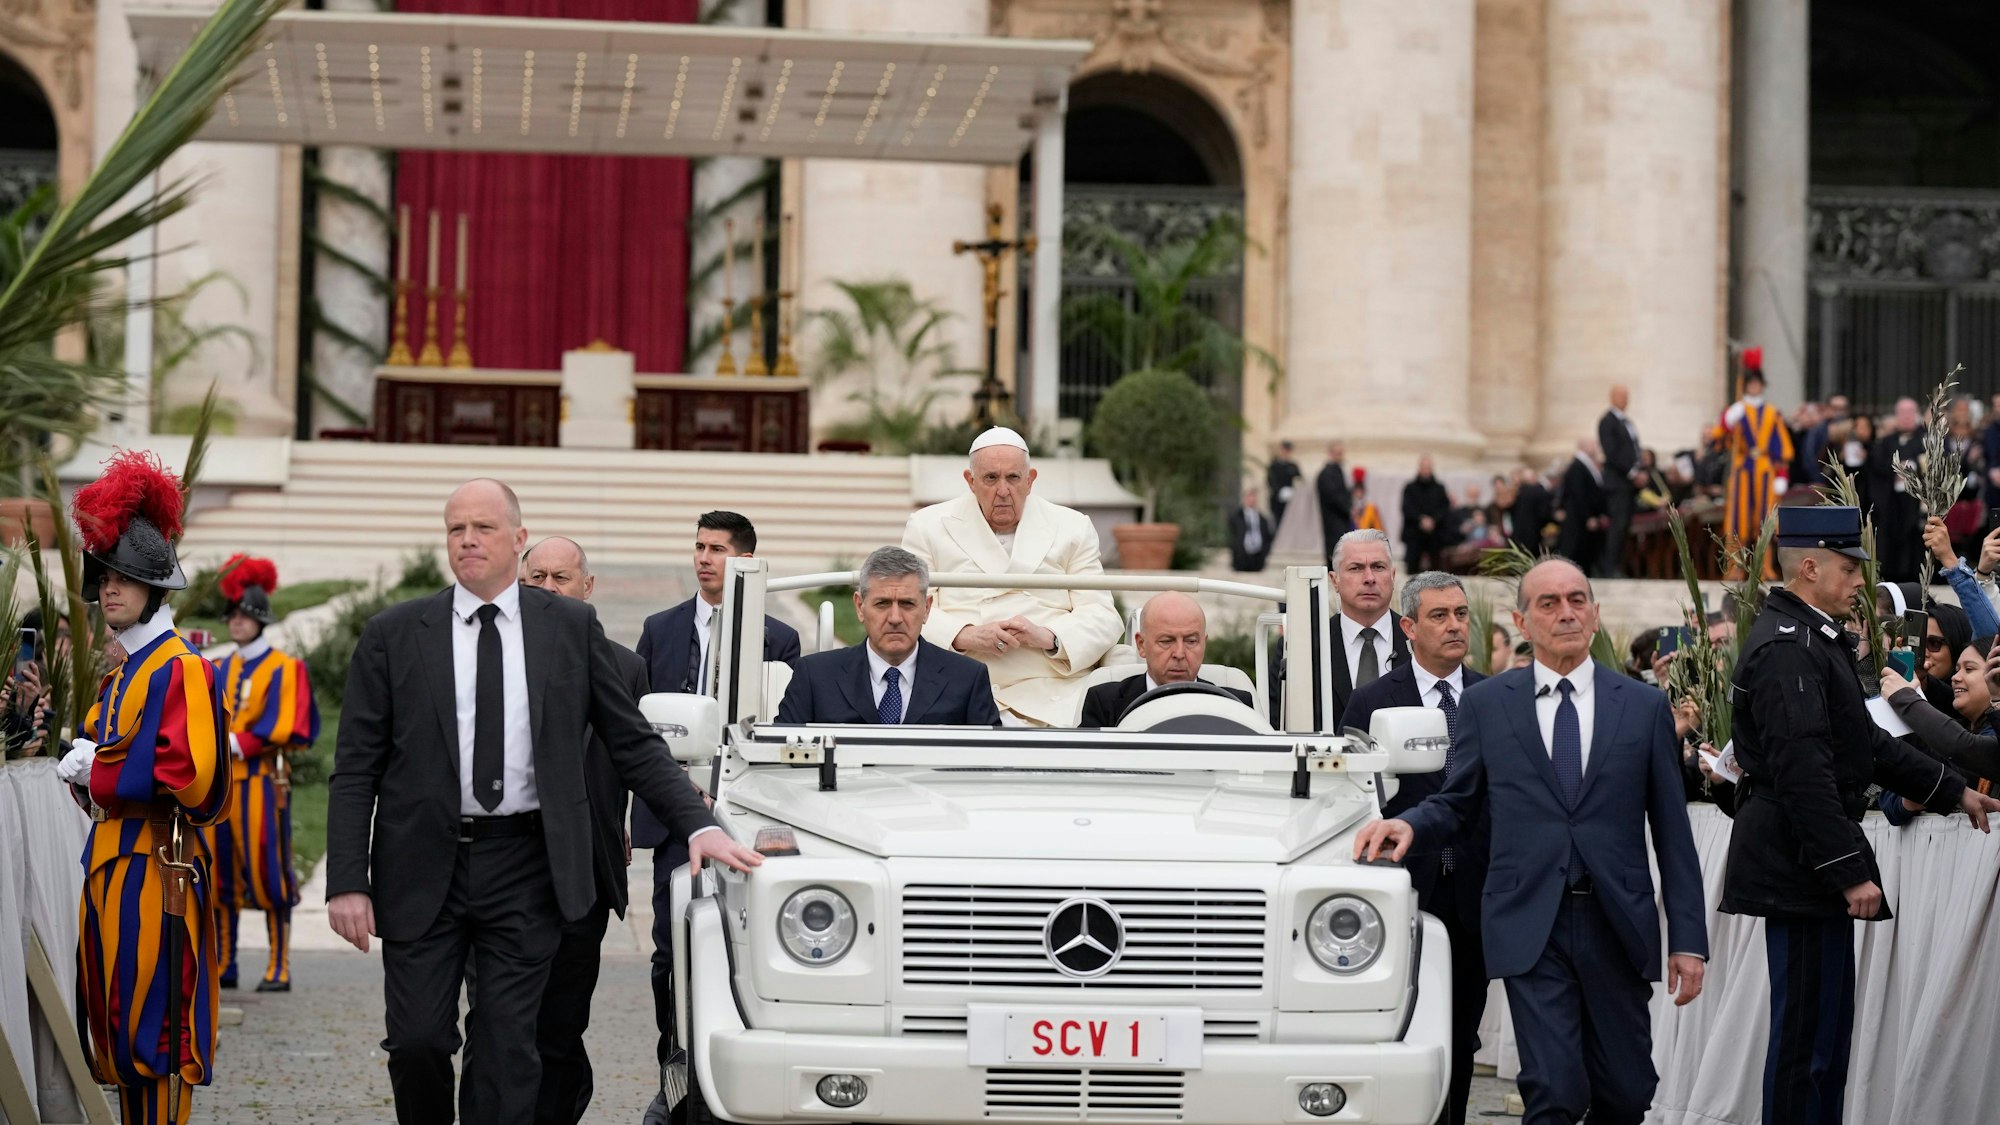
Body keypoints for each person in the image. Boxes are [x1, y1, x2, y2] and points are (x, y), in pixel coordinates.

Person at [325, 479, 763, 1125]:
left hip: (525, 866)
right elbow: (354, 768)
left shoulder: (569, 626)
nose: (468, 539)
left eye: (484, 527)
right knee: (419, 1042)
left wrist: (696, 822)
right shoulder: (395, 635)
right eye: (456, 528)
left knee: (508, 1050)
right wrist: (346, 881)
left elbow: (632, 740)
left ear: (517, 538)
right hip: (421, 867)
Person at [1354, 558, 1708, 1125]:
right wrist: (1412, 825)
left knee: (1626, 1091)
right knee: (1554, 1090)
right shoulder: (1489, 704)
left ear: (1594, 613)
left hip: (1618, 924)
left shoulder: (1641, 708)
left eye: (1576, 600)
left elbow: (1672, 831)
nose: (1565, 613)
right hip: (1529, 923)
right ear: (1522, 620)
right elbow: (1458, 800)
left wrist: (1688, 940)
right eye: (1548, 604)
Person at [1722, 505, 1998, 1125]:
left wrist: (1953, 790)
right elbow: (1803, 772)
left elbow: (1864, 745)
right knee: (1806, 1046)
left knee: (1822, 1041)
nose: (1857, 583)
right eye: (1849, 569)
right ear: (1810, 566)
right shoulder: (1790, 649)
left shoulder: (1813, 640)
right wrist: (1848, 870)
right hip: (1802, 866)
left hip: (1807, 862)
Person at [54, 450, 231, 1125]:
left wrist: (97, 765)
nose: (110, 591)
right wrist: (89, 768)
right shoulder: (125, 671)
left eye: (126, 579)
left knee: (156, 1029)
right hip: (112, 859)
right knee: (119, 1027)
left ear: (157, 587)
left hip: (158, 863)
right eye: (105, 578)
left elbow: (190, 772)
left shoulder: (178, 667)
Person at [630, 508, 799, 1091]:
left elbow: (781, 727)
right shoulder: (660, 628)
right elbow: (638, 725)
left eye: (718, 549)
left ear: (745, 560)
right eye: (699, 546)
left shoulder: (780, 638)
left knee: (739, 944)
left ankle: (733, 1067)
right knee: (668, 945)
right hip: (671, 810)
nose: (704, 558)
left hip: (746, 812)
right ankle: (670, 1068)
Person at [1339, 571, 1487, 1125]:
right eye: (1438, 616)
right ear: (1408, 627)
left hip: (1475, 892)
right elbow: (1357, 797)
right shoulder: (1372, 700)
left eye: (1460, 614)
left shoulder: (1493, 697)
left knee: (1461, 1033)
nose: (1453, 626)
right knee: (1400, 1027)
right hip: (1405, 891)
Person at [518, 536, 651, 1125]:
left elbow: (636, 761)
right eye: (535, 578)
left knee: (563, 1019)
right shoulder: (488, 660)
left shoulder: (626, 667)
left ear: (587, 588)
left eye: (561, 578)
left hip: (586, 873)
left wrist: (621, 825)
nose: (547, 589)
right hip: (502, 868)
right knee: (502, 1017)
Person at [901, 427, 1123, 726]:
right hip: (960, 682)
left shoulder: (1072, 527)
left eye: (1013, 478)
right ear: (971, 481)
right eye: (991, 478)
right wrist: (965, 635)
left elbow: (1102, 615)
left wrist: (1048, 637)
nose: (1003, 491)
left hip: (1056, 688)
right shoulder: (927, 526)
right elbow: (907, 607)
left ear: (1030, 481)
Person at [209, 554, 318, 994]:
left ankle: (279, 965)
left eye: (244, 616)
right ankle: (225, 963)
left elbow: (292, 724)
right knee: (220, 873)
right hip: (222, 787)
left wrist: (236, 742)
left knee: (269, 871)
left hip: (262, 784)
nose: (236, 623)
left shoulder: (286, 668)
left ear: (260, 621)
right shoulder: (219, 667)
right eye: (232, 616)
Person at [776, 546, 1000, 726]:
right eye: (882, 604)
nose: (895, 617)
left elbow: (991, 766)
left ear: (927, 608)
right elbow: (777, 757)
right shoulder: (814, 676)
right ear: (859, 607)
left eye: (907, 604)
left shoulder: (967, 679)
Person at [1079, 592, 1251, 727]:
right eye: (1166, 641)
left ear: (1204, 644)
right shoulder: (1105, 704)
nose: (1179, 653)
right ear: (1141, 645)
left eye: (1191, 641)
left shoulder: (1236, 705)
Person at [1882, 636, 2000, 793]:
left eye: (1969, 669)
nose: (1955, 678)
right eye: (1957, 670)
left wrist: (1904, 697)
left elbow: (1961, 747)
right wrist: (1905, 805)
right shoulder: (1960, 725)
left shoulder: (1988, 736)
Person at [1715, 354, 1794, 567]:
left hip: (1765, 471)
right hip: (1743, 470)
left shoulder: (1772, 413)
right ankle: (1734, 566)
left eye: (1757, 383)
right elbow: (1721, 438)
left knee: (1765, 519)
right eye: (1750, 384)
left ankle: (1763, 566)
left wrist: (1782, 475)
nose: (1754, 387)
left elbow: (1781, 448)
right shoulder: (1738, 410)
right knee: (1738, 519)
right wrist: (1727, 420)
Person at [1875, 397, 1926, 582]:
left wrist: (1914, 468)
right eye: (1901, 413)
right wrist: (1894, 469)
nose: (1905, 417)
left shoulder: (1925, 439)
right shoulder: (1887, 441)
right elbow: (1876, 465)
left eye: (1909, 413)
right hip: (1891, 501)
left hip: (1916, 500)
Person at [1597, 385, 1643, 577]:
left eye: (1627, 396)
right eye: (1622, 396)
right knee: (1617, 526)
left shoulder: (1626, 422)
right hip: (1617, 483)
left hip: (1627, 484)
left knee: (1625, 527)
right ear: (1613, 397)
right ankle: (1610, 568)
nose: (1626, 400)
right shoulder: (1607, 421)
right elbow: (1612, 452)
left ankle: (1619, 565)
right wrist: (1633, 472)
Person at [1556, 441, 1607, 575]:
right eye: (1592, 444)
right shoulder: (1577, 466)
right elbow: (1579, 495)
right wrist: (1588, 516)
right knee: (1574, 552)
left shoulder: (1584, 465)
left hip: (1582, 519)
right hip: (1578, 519)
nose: (1595, 447)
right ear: (1584, 446)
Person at [1401, 456, 1452, 571]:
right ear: (1419, 468)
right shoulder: (1410, 488)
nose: (1426, 470)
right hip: (1415, 533)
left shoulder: (1439, 488)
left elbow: (1445, 508)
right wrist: (1421, 520)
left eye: (1428, 467)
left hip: (1435, 534)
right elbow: (1406, 508)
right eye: (1424, 467)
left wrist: (1433, 520)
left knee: (1437, 571)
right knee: (1412, 570)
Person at [1316, 441, 1354, 566]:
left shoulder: (1337, 471)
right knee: (1335, 549)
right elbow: (1333, 496)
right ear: (1330, 453)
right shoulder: (1327, 473)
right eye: (1337, 453)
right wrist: (1348, 509)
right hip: (1333, 519)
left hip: (1341, 518)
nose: (1340, 455)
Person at [1227, 486, 1275, 572]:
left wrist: (1264, 552)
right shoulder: (1236, 517)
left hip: (1258, 559)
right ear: (1244, 498)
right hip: (1241, 559)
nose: (1252, 500)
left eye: (1254, 497)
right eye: (1249, 497)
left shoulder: (1263, 519)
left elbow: (1268, 537)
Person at [1509, 467, 1554, 554]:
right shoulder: (1540, 491)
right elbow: (1544, 514)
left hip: (1517, 536)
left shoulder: (1517, 493)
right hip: (1534, 535)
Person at [1266, 440, 1302, 528]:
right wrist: (1280, 491)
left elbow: (1299, 479)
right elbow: (1271, 481)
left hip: (1291, 500)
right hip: (1278, 501)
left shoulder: (1293, 466)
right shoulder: (1274, 466)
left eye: (1288, 450)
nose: (1286, 453)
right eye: (1284, 450)